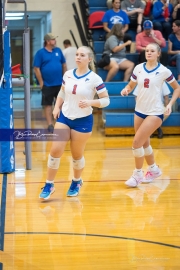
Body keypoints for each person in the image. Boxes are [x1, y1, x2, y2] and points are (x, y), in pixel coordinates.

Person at [39, 46, 110, 200]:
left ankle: (76, 181)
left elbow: (106, 100)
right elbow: (63, 92)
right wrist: (57, 107)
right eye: (77, 54)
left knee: (77, 155)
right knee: (55, 151)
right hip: (64, 117)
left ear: (89, 59)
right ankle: (49, 184)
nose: (78, 57)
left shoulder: (95, 78)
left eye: (82, 55)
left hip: (82, 121)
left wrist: (90, 102)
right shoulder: (68, 74)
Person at [121, 42, 180, 187]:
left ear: (158, 53)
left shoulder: (164, 71)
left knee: (136, 143)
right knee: (144, 143)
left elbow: (177, 88)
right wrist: (126, 89)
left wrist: (170, 104)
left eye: (152, 51)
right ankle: (153, 169)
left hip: (155, 112)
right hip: (139, 110)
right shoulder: (138, 68)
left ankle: (137, 175)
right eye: (147, 50)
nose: (148, 53)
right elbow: (131, 85)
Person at [34, 33, 67, 133]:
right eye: (53, 39)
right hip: (47, 85)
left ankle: (60, 123)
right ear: (48, 41)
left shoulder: (58, 51)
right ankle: (50, 124)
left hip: (59, 84)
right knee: (48, 105)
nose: (55, 41)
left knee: (61, 104)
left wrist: (66, 79)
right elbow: (36, 68)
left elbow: (64, 65)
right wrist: (41, 82)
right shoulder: (40, 53)